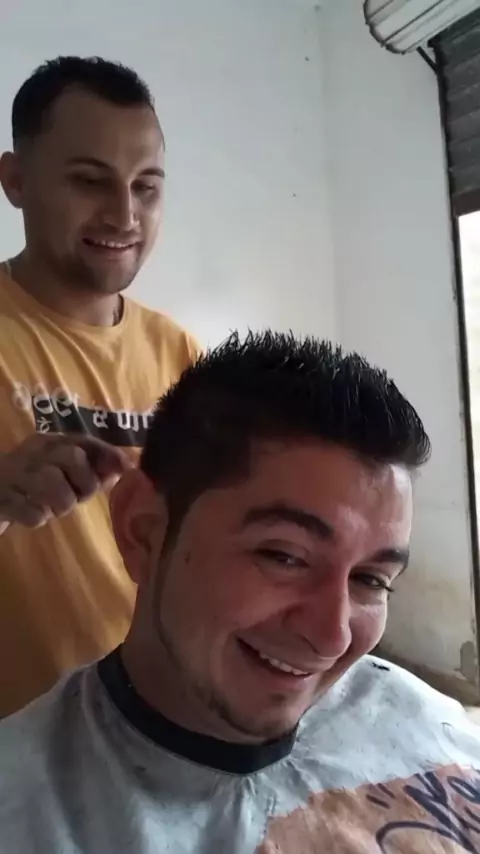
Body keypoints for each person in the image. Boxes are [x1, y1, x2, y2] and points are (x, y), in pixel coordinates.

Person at [1, 330, 480, 854]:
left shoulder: (424, 718)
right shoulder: (25, 808)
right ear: (145, 530)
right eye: (285, 556)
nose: (333, 637)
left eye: (371, 579)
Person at [0, 56, 200, 717]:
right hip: (19, 740)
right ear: (16, 180)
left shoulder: (181, 353)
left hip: (154, 719)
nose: (124, 215)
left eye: (146, 188)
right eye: (90, 181)